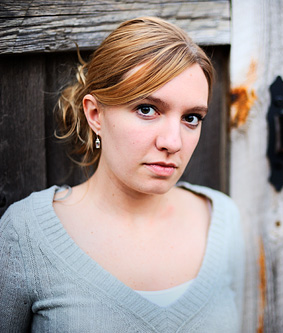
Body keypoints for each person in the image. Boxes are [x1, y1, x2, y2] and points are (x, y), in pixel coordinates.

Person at [0, 17, 244, 332]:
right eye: (147, 109)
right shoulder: (26, 235)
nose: (172, 142)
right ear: (95, 114)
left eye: (192, 117)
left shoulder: (224, 221)